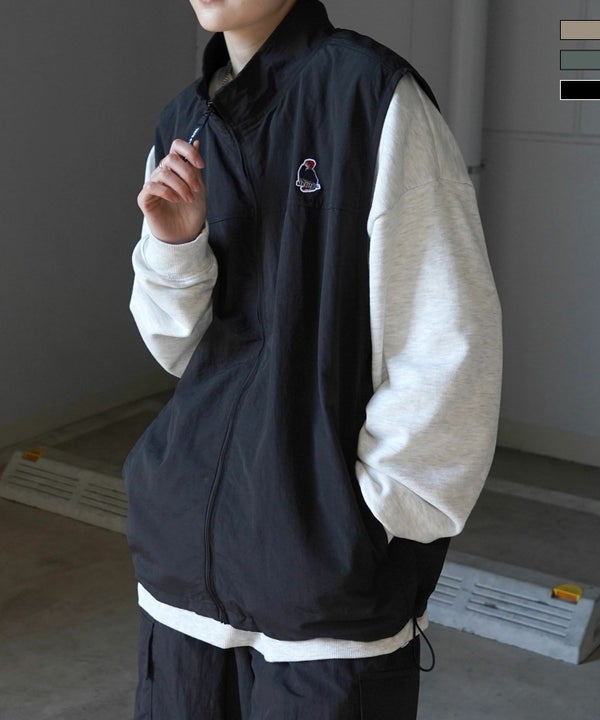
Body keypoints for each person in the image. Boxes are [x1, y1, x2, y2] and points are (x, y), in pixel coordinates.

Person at [123, 0, 503, 717]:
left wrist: (364, 522)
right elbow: (178, 348)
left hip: (324, 598)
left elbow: (448, 343)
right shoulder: (184, 123)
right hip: (182, 578)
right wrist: (176, 245)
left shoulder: (374, 100)